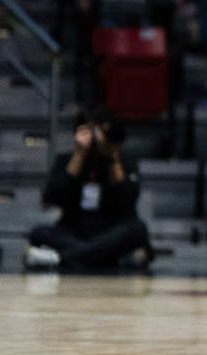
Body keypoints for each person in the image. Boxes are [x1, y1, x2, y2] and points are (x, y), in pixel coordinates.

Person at [25, 110, 150, 270]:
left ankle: (60, 258)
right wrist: (79, 154)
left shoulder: (122, 161)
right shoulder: (66, 160)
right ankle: (107, 258)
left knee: (137, 229)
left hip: (110, 230)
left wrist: (111, 157)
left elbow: (128, 200)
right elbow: (51, 197)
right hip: (74, 230)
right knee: (38, 233)